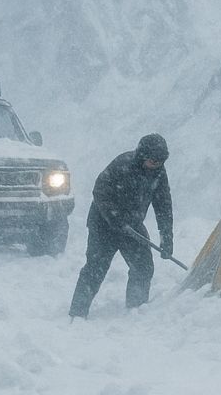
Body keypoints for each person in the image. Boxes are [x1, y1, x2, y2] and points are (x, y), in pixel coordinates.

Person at [69, 133, 174, 319]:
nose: (156, 165)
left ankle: (136, 310)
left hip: (132, 226)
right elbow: (100, 191)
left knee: (143, 267)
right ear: (142, 156)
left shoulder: (159, 172)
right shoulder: (122, 164)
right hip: (103, 224)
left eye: (160, 161)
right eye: (152, 161)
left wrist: (167, 238)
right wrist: (115, 218)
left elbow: (163, 206)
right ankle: (77, 313)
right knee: (96, 268)